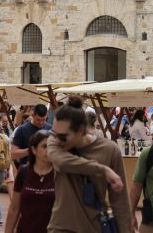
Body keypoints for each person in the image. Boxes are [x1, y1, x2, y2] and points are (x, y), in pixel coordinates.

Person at [47, 96, 130, 233]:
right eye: (54, 133)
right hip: (61, 228)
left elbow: (120, 201)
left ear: (80, 130)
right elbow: (62, 163)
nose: (57, 140)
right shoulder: (55, 141)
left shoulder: (109, 149)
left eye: (62, 136)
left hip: (94, 227)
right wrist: (103, 170)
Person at [4, 130, 55, 233]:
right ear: (34, 149)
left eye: (52, 146)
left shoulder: (60, 173)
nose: (49, 150)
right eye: (44, 146)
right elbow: (14, 208)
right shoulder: (24, 172)